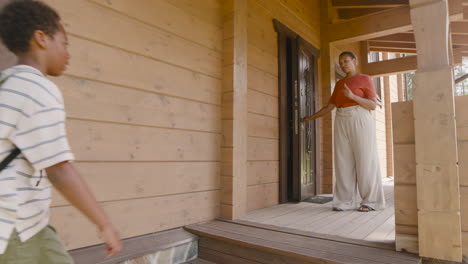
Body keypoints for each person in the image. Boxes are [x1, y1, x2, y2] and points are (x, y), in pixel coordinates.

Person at [0, 1, 122, 263]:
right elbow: (59, 170)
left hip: (30, 223)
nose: (68, 54)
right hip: (13, 226)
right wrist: (104, 224)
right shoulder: (36, 88)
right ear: (41, 38)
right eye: (64, 43)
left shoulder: (10, 83)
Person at [303, 51, 385, 212]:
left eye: (346, 61)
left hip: (360, 117)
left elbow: (372, 105)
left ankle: (370, 201)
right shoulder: (340, 84)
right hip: (341, 118)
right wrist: (310, 118)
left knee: (365, 159)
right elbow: (330, 106)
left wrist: (353, 96)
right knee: (343, 161)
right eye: (341, 63)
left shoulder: (364, 79)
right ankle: (344, 201)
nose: (343, 65)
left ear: (354, 60)